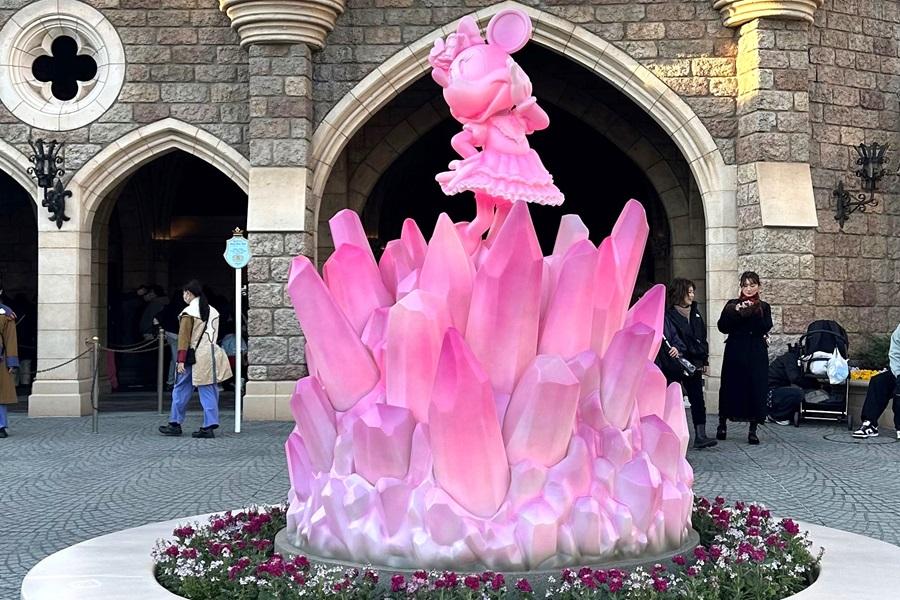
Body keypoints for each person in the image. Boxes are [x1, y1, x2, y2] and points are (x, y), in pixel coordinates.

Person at [158, 280, 232, 439]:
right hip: (210, 353)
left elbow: (184, 338)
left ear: (189, 293)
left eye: (184, 293)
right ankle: (209, 424)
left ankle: (175, 423)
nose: (183, 296)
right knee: (209, 390)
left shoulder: (188, 312)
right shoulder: (213, 311)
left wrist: (180, 360)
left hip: (192, 356)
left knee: (181, 389)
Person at [716, 271, 773, 445]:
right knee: (729, 386)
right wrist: (736, 312)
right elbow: (722, 326)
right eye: (745, 285)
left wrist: (754, 312)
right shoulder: (732, 305)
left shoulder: (763, 307)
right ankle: (722, 423)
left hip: (756, 352)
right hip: (736, 351)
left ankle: (753, 429)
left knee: (756, 387)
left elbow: (766, 326)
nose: (748, 289)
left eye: (752, 285)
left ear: (759, 287)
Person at [661, 278, 716, 449]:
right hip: (676, 362)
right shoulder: (668, 316)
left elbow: (702, 338)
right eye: (689, 292)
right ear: (680, 293)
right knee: (673, 399)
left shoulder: (695, 313)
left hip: (694, 362)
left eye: (693, 292)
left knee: (697, 398)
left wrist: (704, 359)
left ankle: (701, 434)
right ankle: (671, 435)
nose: (692, 295)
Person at [851, 323, 900, 439]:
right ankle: (870, 424)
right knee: (878, 382)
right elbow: (895, 353)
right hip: (898, 371)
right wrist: (898, 373)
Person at [767, 344, 805, 426]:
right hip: (770, 392)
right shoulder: (790, 358)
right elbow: (794, 378)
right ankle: (776, 416)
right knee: (797, 393)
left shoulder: (790, 358)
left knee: (797, 392)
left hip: (773, 390)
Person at [0, 279, 19, 438]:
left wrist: (11, 361)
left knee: (0, 395)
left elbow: (10, 339)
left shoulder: (6, 314)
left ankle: (0, 425)